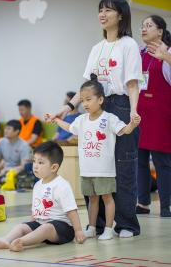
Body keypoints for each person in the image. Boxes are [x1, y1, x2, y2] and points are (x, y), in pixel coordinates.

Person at [47, 0, 142, 238]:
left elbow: (132, 83)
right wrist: (68, 107)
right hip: (97, 108)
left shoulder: (129, 45)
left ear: (121, 15)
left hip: (120, 106)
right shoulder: (96, 48)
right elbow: (87, 88)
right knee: (95, 166)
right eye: (100, 10)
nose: (103, 14)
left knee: (123, 167)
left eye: (109, 10)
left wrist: (133, 110)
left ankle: (126, 224)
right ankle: (98, 225)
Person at [48, 75, 140, 240]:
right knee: (92, 199)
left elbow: (124, 131)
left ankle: (109, 229)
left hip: (104, 170)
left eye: (88, 99)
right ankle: (91, 227)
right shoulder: (82, 119)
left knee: (107, 198)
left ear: (100, 99)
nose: (84, 104)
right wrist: (56, 120)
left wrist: (132, 124)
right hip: (87, 170)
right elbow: (70, 128)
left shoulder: (109, 119)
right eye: (82, 100)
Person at [0, 141, 86, 251]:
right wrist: (30, 225)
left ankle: (21, 242)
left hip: (62, 229)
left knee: (46, 228)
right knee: (21, 227)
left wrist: (78, 230)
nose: (35, 166)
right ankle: (6, 240)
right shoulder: (38, 184)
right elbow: (35, 209)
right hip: (41, 224)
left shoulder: (62, 185)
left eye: (41, 163)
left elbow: (72, 211)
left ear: (54, 167)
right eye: (34, 161)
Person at [136, 15, 171, 217]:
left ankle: (166, 204)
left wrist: (165, 56)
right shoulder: (138, 54)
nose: (144, 28)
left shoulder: (168, 52)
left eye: (149, 25)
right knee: (139, 161)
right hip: (140, 115)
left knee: (162, 162)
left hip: (161, 116)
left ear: (160, 31)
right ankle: (142, 203)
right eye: (143, 25)